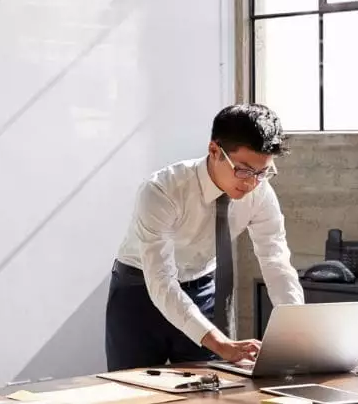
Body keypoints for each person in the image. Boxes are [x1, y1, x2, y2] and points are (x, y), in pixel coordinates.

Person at [105, 104, 304, 370]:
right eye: (244, 170)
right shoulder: (161, 190)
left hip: (201, 290)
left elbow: (275, 261)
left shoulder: (260, 193)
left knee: (213, 385)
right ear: (214, 151)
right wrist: (219, 343)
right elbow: (161, 281)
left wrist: (296, 330)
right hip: (140, 292)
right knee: (131, 387)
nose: (251, 183)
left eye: (262, 172)